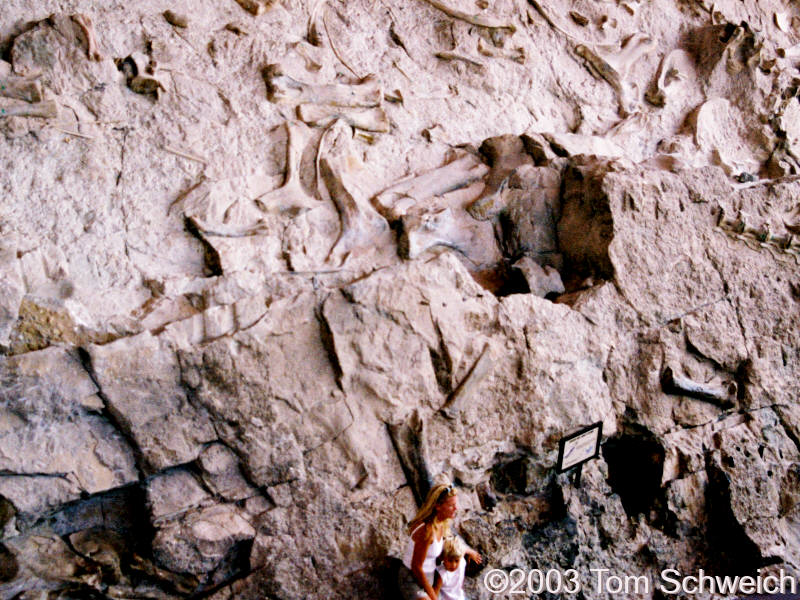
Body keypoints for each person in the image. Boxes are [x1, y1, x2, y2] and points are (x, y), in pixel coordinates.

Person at [398, 483, 482, 600]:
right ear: (438, 506)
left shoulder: (441, 524)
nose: (456, 508)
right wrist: (433, 596)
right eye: (451, 505)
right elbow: (416, 567)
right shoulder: (426, 531)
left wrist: (467, 551)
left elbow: (447, 544)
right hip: (413, 579)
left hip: (429, 578)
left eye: (455, 504)